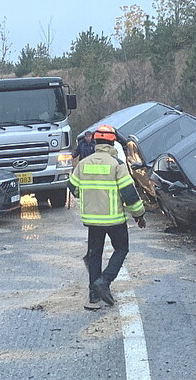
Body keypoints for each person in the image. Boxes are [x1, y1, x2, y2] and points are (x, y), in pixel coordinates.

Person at [68, 124, 146, 310]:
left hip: (92, 219)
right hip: (114, 219)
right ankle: (104, 281)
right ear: (112, 142)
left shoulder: (83, 164)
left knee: (94, 255)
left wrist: (86, 195)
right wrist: (139, 215)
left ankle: (93, 296)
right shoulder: (117, 165)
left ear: (95, 142)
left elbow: (73, 188)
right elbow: (129, 194)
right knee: (121, 249)